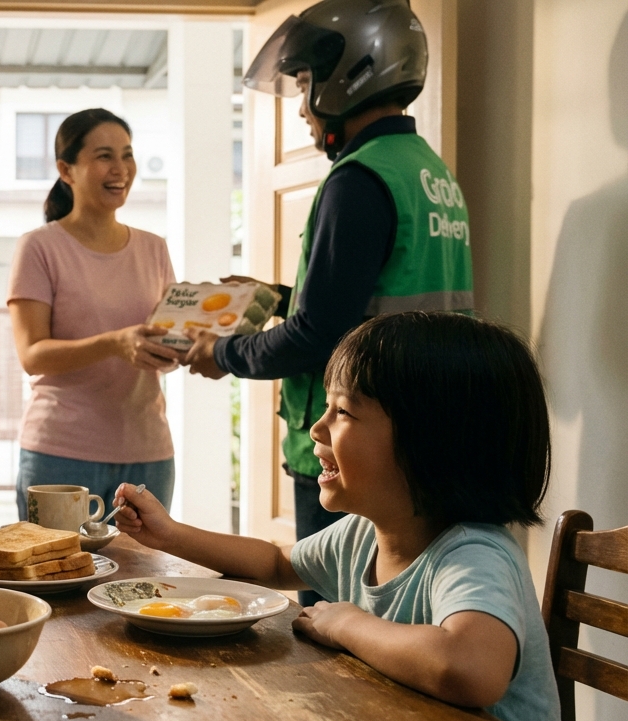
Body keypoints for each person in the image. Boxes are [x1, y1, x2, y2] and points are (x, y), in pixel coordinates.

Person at [116, 312, 563, 721]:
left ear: (431, 441)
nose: (316, 427)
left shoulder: (474, 552)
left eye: (343, 411)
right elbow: (275, 563)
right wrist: (170, 535)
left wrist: (348, 624)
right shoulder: (364, 535)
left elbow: (469, 669)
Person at [181, 0, 473, 605]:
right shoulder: (428, 173)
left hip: (354, 447)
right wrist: (279, 296)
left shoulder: (358, 180)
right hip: (422, 441)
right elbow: (378, 298)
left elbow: (318, 333)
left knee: (334, 633)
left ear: (350, 77)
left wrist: (223, 352)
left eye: (306, 82)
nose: (304, 106)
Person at [7, 108, 180, 521]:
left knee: (140, 583)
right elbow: (32, 353)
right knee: (51, 576)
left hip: (148, 454)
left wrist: (194, 342)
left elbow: (167, 340)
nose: (120, 169)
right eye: (104, 156)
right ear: (66, 169)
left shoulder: (154, 248)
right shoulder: (39, 247)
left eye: (127, 154)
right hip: (60, 454)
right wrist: (116, 343)